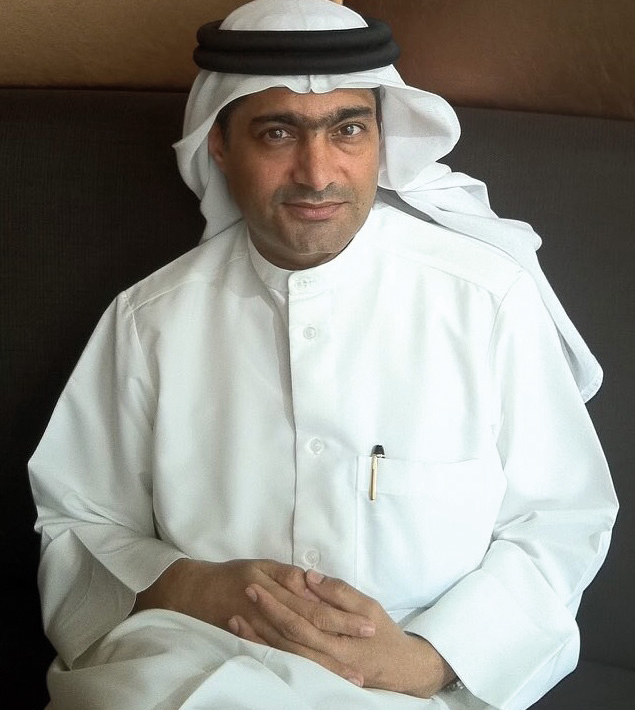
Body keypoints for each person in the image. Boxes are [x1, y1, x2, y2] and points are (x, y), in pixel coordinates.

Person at [28, 1, 618, 709]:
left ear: (381, 141)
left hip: (414, 683)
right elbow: (78, 519)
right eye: (277, 132)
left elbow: (561, 518)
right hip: (194, 663)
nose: (316, 173)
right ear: (219, 146)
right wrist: (188, 585)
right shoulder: (149, 320)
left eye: (348, 129)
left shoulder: (485, 298)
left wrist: (433, 658)